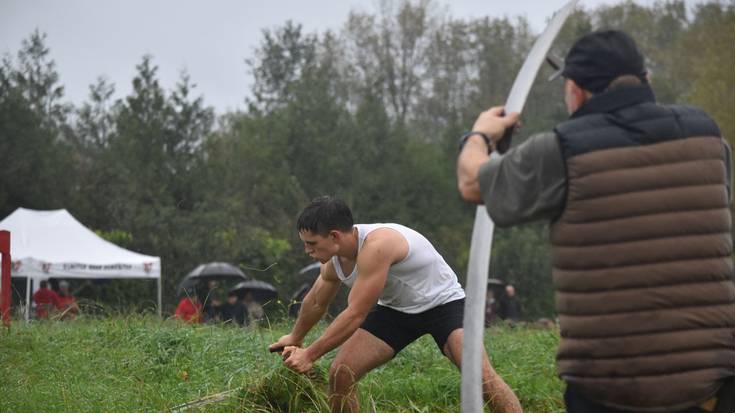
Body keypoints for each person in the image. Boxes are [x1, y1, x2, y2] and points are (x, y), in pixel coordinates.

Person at [457, 29, 735, 413]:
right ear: (646, 80)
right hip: (711, 385)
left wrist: (479, 136)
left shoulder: (561, 149)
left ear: (575, 90)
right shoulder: (709, 138)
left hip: (610, 390)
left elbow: (472, 182)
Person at [269, 196, 522, 413]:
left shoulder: (378, 245)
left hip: (444, 304)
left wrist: (310, 355)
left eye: (311, 243)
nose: (306, 250)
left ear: (334, 235)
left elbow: (356, 313)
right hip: (397, 311)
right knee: (341, 373)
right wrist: (295, 337)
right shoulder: (332, 261)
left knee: (480, 377)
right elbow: (315, 302)